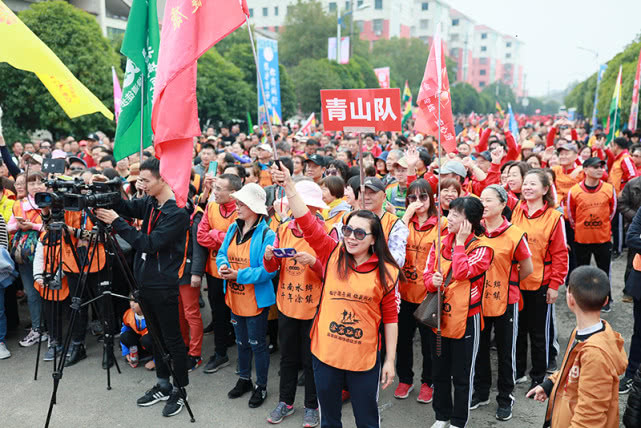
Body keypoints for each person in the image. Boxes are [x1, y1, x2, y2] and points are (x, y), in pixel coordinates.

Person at [271, 162, 400, 427]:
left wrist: (389, 360)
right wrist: (290, 185)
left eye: (360, 233)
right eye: (348, 231)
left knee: (367, 420)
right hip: (325, 355)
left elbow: (390, 318)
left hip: (363, 359)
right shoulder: (332, 254)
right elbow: (307, 223)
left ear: (374, 239)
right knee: (329, 420)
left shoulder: (387, 272)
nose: (351, 237)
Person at [95, 158, 190, 418]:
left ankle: (180, 389)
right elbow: (127, 206)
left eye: (146, 180)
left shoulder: (177, 212)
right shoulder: (151, 201)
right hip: (144, 281)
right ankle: (163, 384)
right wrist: (110, 188)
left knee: (171, 339)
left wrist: (117, 222)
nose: (142, 185)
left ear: (164, 179)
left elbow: (148, 243)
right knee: (156, 337)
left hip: (163, 285)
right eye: (140, 179)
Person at [527, 266, 627, 428]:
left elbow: (589, 420)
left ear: (570, 298)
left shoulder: (595, 355)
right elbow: (573, 369)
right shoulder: (581, 332)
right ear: (606, 301)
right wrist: (551, 384)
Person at [424, 197, 493, 428]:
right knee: (439, 371)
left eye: (456, 214)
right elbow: (427, 276)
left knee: (462, 375)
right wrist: (432, 282)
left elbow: (463, 273)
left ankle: (458, 421)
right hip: (439, 317)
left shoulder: (483, 248)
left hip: (466, 319)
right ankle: (441, 416)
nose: (449, 218)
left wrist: (461, 243)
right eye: (450, 213)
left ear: (469, 221)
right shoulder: (439, 242)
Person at [264, 180, 327, 426]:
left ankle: (312, 405)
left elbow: (331, 273)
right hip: (287, 304)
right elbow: (273, 267)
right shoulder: (283, 229)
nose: (297, 210)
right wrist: (269, 256)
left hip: (313, 306)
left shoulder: (325, 232)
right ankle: (285, 402)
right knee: (288, 358)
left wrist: (313, 262)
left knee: (311, 360)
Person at [472, 185, 533, 421]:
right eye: (481, 200)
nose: (483, 204)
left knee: (506, 352)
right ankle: (481, 392)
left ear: (503, 204)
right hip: (477, 300)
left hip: (506, 300)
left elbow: (527, 268)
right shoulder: (476, 230)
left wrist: (509, 283)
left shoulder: (515, 234)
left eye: (488, 200)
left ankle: (506, 398)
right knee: (479, 349)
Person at [216, 183, 277, 408]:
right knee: (241, 342)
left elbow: (269, 270)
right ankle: (244, 379)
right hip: (235, 296)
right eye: (238, 203)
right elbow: (222, 253)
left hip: (255, 299)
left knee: (257, 344)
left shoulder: (268, 234)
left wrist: (238, 275)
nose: (237, 206)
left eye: (241, 203)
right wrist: (223, 267)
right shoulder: (233, 228)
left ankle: (261, 386)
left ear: (253, 207)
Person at [511, 169, 568, 391]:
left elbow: (560, 254)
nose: (527, 187)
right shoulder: (517, 209)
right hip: (516, 282)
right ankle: (518, 371)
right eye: (525, 183)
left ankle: (538, 376)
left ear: (545, 189)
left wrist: (554, 285)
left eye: (533, 184)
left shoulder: (554, 217)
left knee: (538, 334)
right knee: (518, 330)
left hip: (540, 284)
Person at [394, 179, 445, 404]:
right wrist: (406, 216)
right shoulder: (403, 222)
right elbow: (393, 243)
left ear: (432, 198)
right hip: (403, 292)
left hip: (428, 293)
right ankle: (405, 379)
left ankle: (428, 382)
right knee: (402, 340)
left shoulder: (441, 224)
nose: (418, 201)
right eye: (412, 197)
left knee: (428, 344)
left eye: (423, 196)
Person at [196, 174, 242, 373]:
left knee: (240, 313)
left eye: (218, 189)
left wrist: (214, 234)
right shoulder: (211, 206)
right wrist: (222, 239)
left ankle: (244, 355)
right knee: (218, 313)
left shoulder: (241, 209)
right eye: (214, 187)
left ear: (233, 193)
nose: (214, 192)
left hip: (237, 271)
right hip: (214, 271)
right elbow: (200, 236)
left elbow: (238, 241)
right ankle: (220, 353)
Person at [567, 157, 616, 312]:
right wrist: (581, 228)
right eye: (596, 167)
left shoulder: (609, 189)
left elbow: (612, 212)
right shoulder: (574, 191)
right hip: (581, 240)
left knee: (604, 271)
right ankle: (582, 301)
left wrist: (601, 225)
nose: (600, 169)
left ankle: (606, 300)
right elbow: (571, 215)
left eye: (602, 166)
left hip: (603, 239)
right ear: (585, 170)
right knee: (581, 273)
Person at [9, 172, 45, 347]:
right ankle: (38, 329)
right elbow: (8, 226)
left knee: (49, 291)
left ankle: (51, 329)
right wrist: (18, 225)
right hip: (25, 254)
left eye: (39, 183)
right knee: (31, 292)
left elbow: (54, 226)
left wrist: (34, 226)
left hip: (47, 252)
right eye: (32, 183)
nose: (36, 186)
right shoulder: (19, 204)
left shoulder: (50, 202)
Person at [120, 299, 155, 370]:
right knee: (125, 336)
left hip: (152, 344)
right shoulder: (129, 313)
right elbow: (123, 332)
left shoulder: (152, 315)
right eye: (131, 300)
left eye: (135, 301)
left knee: (147, 339)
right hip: (141, 343)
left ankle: (156, 358)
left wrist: (155, 361)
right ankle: (138, 355)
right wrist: (126, 352)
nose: (132, 304)